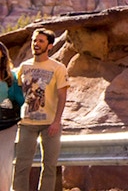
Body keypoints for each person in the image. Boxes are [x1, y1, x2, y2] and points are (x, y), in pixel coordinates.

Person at [13, 28, 69, 191]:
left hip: (50, 124)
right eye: (34, 41)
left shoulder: (58, 68)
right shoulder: (24, 67)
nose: (36, 44)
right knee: (21, 166)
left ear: (50, 46)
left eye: (41, 41)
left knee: (49, 167)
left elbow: (62, 96)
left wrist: (57, 121)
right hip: (26, 123)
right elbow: (17, 94)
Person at [0, 42, 26, 191]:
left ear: (3, 54)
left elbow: (20, 100)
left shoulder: (12, 76)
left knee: (3, 164)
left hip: (6, 126)